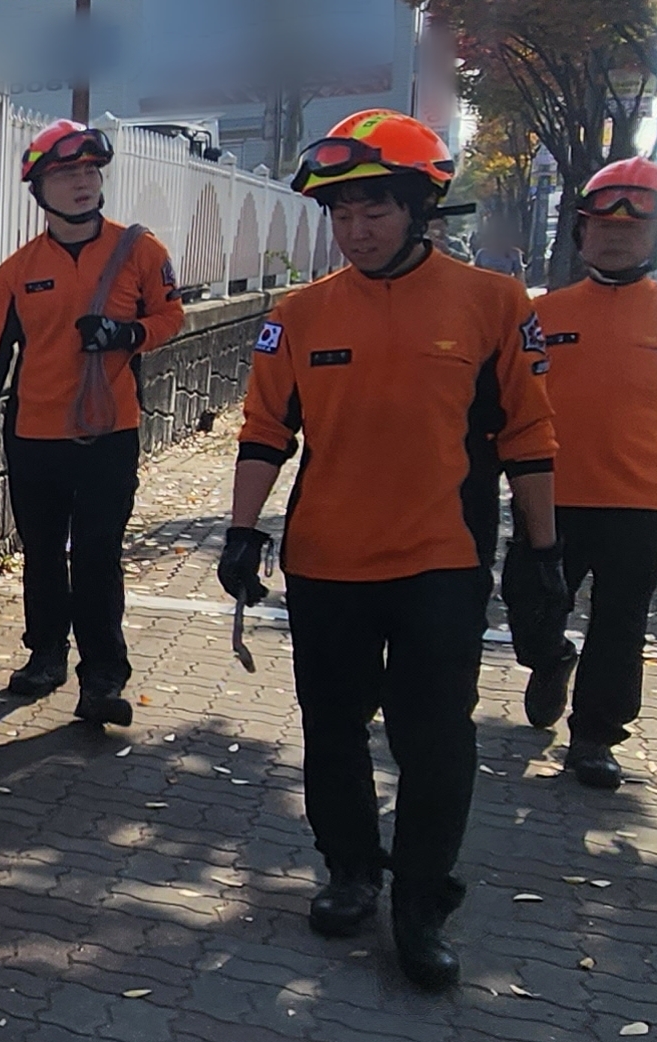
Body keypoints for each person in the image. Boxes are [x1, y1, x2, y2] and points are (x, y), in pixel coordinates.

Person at [216, 110, 563, 991]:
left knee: (433, 740)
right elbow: (264, 431)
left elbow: (527, 435)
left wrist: (541, 551)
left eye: (373, 209)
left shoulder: (492, 304)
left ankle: (419, 903)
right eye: (341, 213)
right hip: (325, 563)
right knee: (331, 733)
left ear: (418, 208)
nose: (355, 229)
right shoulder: (298, 314)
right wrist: (241, 532)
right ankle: (349, 871)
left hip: (439, 565)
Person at [0, 119, 188, 727]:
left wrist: (128, 334)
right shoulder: (17, 271)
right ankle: (45, 657)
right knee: (41, 554)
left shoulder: (140, 251)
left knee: (96, 554)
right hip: (35, 436)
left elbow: (172, 316)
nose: (82, 182)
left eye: (90, 171)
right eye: (66, 174)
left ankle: (103, 678)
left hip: (109, 435)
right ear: (39, 189)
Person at [511, 158, 657, 789]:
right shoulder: (541, 314)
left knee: (621, 623)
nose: (615, 237)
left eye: (632, 230)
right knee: (530, 607)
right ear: (581, 233)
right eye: (603, 226)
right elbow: (510, 404)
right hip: (549, 497)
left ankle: (594, 736)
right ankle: (550, 659)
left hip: (641, 500)